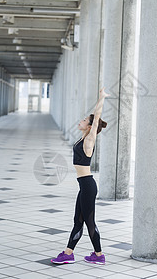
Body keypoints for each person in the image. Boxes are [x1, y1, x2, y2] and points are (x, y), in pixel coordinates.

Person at [51, 87, 110, 265]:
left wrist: (102, 98)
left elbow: (97, 116)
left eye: (84, 120)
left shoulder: (89, 140)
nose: (81, 121)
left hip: (88, 186)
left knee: (88, 222)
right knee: (79, 220)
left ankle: (95, 255)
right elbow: (93, 120)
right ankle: (77, 253)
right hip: (84, 185)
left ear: (90, 127)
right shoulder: (83, 138)